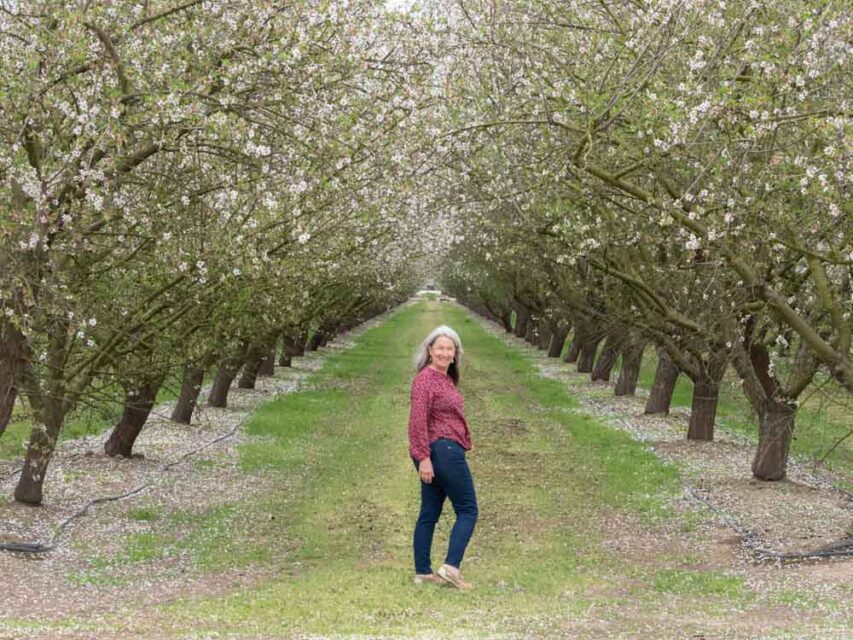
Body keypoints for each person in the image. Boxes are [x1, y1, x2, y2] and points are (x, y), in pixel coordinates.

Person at [408, 324, 478, 589]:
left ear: (455, 353)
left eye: (450, 348)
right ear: (430, 350)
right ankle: (451, 567)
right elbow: (417, 421)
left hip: (442, 450)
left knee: (430, 511)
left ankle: (423, 572)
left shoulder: (445, 379)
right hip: (442, 451)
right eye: (440, 348)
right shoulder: (425, 379)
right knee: (468, 510)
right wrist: (423, 458)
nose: (445, 353)